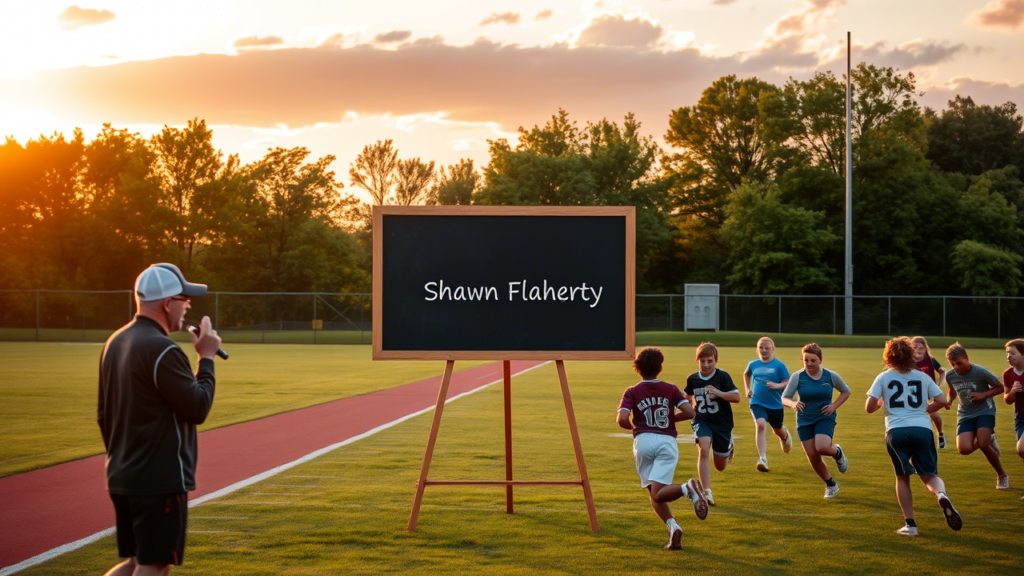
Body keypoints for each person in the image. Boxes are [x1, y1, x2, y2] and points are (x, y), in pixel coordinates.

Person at [98, 263, 223, 576]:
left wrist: (123, 455)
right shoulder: (162, 349)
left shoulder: (116, 341)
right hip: (158, 479)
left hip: (122, 472)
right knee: (154, 565)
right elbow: (197, 408)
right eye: (185, 299)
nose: (188, 306)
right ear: (168, 303)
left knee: (135, 562)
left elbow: (103, 414)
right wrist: (206, 358)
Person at [866, 337, 962, 537]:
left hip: (896, 430)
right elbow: (943, 400)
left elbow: (869, 407)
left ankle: (910, 525)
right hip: (923, 429)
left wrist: (881, 402)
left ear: (889, 357)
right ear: (912, 356)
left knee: (902, 477)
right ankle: (941, 494)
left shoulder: (883, 377)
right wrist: (924, 410)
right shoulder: (923, 376)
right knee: (929, 475)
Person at [617, 347, 709, 550]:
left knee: (655, 493)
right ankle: (673, 526)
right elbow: (689, 412)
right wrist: (669, 419)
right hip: (666, 441)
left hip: (643, 441)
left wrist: (633, 425)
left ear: (637, 368)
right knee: (656, 493)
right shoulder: (671, 388)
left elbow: (622, 419)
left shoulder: (631, 391)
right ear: (660, 367)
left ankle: (687, 489)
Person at [782, 343, 850, 499]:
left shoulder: (830, 375)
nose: (809, 364)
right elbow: (784, 397)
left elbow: (846, 391)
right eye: (806, 360)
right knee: (813, 456)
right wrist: (793, 404)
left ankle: (837, 452)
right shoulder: (798, 376)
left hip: (824, 417)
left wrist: (834, 406)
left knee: (822, 447)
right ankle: (831, 484)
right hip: (804, 419)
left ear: (820, 360)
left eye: (813, 360)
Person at [945, 342, 1009, 490]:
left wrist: (983, 394)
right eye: (952, 364)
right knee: (964, 449)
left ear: (967, 358)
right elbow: (952, 390)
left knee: (983, 444)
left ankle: (1002, 475)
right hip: (965, 414)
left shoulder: (981, 372)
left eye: (959, 363)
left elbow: (1000, 387)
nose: (956, 367)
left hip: (985, 410)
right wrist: (949, 400)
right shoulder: (951, 375)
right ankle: (989, 438)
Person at [684, 342, 740, 506]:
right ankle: (707, 492)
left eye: (710, 361)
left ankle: (728, 447)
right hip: (702, 420)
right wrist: (691, 403)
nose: (706, 365)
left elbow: (736, 398)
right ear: (697, 361)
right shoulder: (693, 379)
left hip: (722, 424)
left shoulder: (722, 377)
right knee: (703, 450)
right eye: (703, 361)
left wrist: (718, 392)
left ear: (716, 361)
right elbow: (686, 396)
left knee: (720, 466)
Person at [743, 337, 793, 472]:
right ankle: (762, 459)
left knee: (778, 429)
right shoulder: (753, 364)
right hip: (757, 402)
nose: (763, 350)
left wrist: (777, 385)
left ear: (772, 349)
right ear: (757, 349)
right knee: (760, 426)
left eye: (766, 348)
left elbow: (788, 383)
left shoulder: (779, 365)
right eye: (761, 347)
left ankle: (785, 436)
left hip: (775, 404)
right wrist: (747, 389)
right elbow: (746, 374)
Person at [912, 336, 948, 448]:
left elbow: (942, 371)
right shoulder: (909, 361)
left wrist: (937, 385)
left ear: (925, 348)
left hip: (929, 392)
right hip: (914, 393)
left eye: (921, 347)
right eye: (915, 347)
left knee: (933, 414)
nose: (918, 349)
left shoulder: (931, 360)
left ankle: (940, 434)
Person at [1004, 339, 1024, 499]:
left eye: (1013, 353)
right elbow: (1007, 400)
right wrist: (1013, 392)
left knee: (1022, 449)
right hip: (1020, 417)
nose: (1009, 356)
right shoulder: (1008, 374)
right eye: (1007, 353)